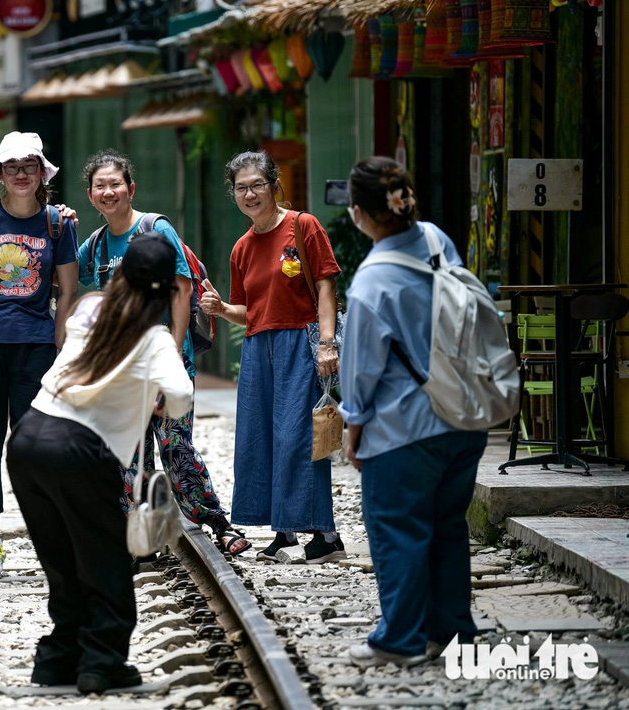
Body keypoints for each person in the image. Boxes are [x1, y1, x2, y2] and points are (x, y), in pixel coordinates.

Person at [7, 234, 194, 694]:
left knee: (63, 563)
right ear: (169, 287)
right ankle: (102, 667)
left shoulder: (89, 307)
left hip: (29, 439)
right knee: (107, 563)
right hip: (77, 451)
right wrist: (157, 402)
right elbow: (183, 395)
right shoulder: (152, 337)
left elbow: (93, 356)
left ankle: (55, 665)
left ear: (122, 275)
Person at [339, 157, 487, 667]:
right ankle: (452, 634)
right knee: (447, 528)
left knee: (398, 530)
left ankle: (399, 640)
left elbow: (360, 374)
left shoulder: (369, 284)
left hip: (404, 429)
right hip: (465, 416)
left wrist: (352, 430)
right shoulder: (435, 240)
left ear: (359, 213)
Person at [76, 150, 248, 556]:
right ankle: (139, 538)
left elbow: (183, 290)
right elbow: (64, 271)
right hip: (123, 366)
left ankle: (217, 524)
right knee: (128, 454)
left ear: (130, 188)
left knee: (175, 446)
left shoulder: (155, 229)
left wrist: (172, 361)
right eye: (100, 186)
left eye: (115, 183)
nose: (108, 191)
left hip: (168, 359)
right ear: (90, 195)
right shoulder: (97, 245)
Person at [199, 150, 346, 563]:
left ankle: (327, 535)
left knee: (299, 437)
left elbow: (325, 287)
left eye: (257, 185)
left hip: (301, 342)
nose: (250, 194)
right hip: (257, 347)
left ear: (274, 185)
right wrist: (219, 309)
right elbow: (249, 311)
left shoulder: (303, 226)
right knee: (260, 437)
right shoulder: (241, 248)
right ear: (234, 194)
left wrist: (327, 343)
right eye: (241, 188)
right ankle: (284, 534)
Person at [0, 132, 80, 579]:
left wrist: (59, 341)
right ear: (0, 174)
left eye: (29, 165)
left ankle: (47, 538)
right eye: (12, 167)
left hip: (35, 346)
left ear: (41, 172)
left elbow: (67, 291)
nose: (21, 173)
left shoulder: (59, 225)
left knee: (36, 447)